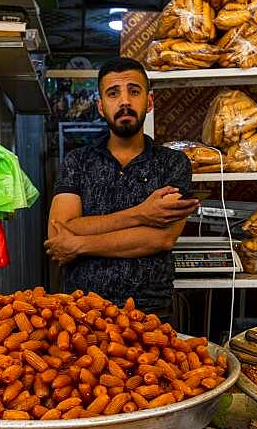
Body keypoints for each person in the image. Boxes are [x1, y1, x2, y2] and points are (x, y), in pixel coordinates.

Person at [45, 57, 200, 321]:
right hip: (82, 312)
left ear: (149, 102)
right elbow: (59, 231)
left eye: (134, 91)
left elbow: (160, 239)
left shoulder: (173, 163)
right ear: (101, 107)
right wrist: (141, 214)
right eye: (113, 93)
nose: (125, 101)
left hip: (151, 313)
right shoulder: (77, 161)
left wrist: (79, 244)